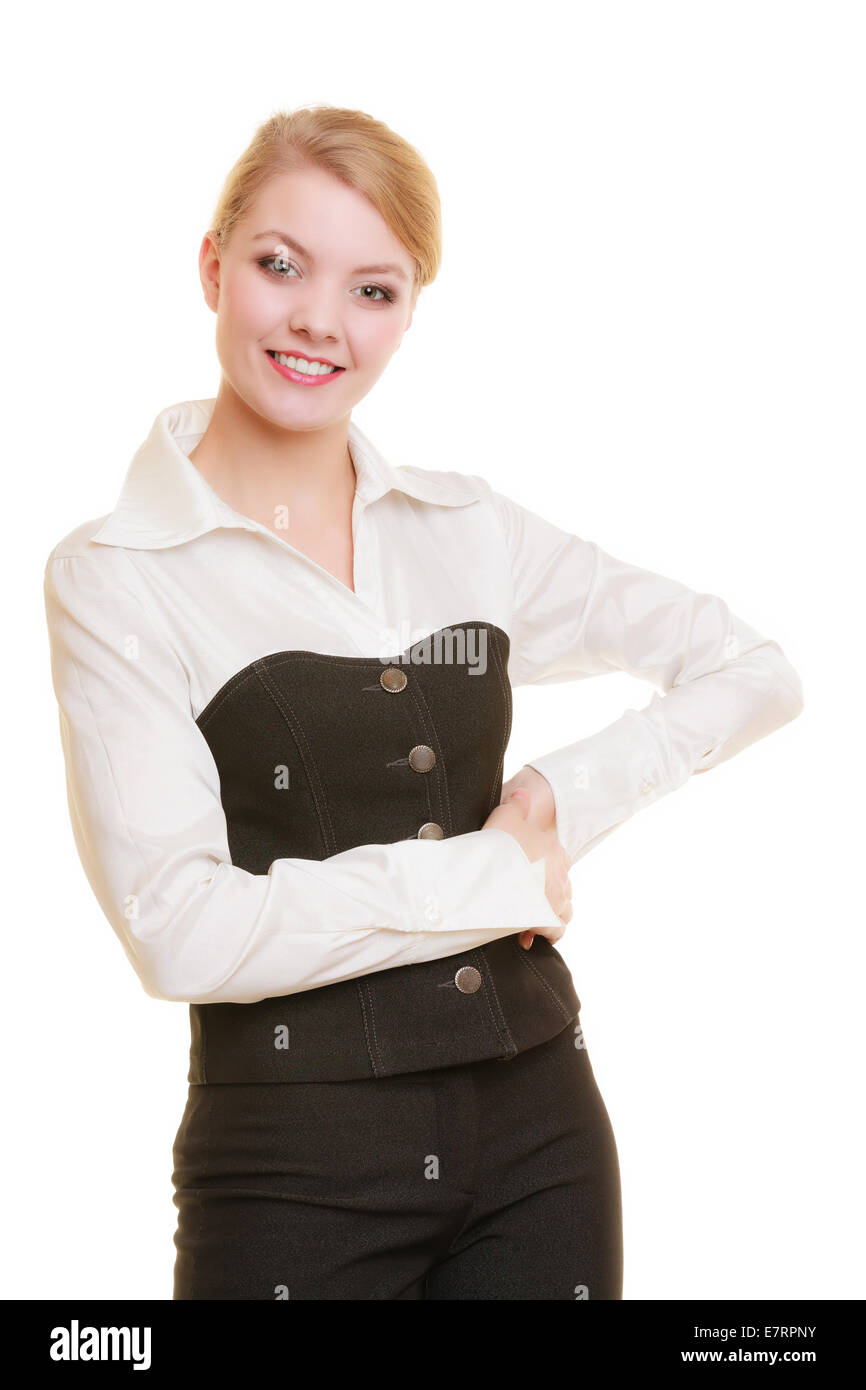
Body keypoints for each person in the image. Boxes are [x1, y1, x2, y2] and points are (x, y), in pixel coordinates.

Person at [43, 105, 804, 1301]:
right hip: (293, 1168)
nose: (317, 322)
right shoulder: (120, 575)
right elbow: (176, 927)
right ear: (212, 266)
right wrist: (488, 878)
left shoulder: (470, 532)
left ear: (406, 314)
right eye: (279, 265)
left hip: (539, 1133)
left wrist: (560, 793)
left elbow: (751, 667)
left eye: (373, 289)